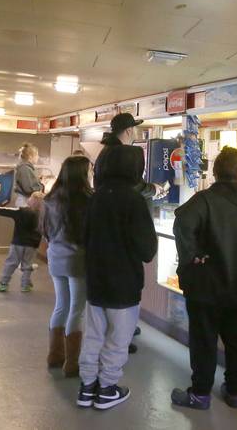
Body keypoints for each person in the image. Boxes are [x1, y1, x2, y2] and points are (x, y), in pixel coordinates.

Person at [171, 147, 237, 411]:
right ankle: (235, 392)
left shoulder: (205, 200)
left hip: (207, 285)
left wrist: (193, 255)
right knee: (236, 341)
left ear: (214, 172)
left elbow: (182, 223)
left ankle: (200, 393)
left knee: (204, 341)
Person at [77, 146, 157, 410]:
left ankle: (87, 387)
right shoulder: (134, 200)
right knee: (117, 339)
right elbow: (147, 250)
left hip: (96, 279)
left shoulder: (95, 197)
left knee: (93, 335)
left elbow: (82, 238)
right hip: (124, 282)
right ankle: (107, 388)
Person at [94, 112, 161, 353]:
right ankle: (121, 336)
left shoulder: (105, 153)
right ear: (129, 131)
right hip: (122, 231)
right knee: (122, 289)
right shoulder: (122, 156)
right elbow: (133, 187)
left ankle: (120, 333)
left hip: (105, 233)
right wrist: (154, 189)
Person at [42, 156, 92, 377]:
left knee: (61, 305)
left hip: (55, 256)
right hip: (77, 259)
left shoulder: (50, 199)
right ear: (83, 174)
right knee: (77, 309)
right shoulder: (87, 200)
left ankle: (54, 355)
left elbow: (44, 230)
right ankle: (72, 362)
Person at [94, 112, 162, 198]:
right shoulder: (123, 153)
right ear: (129, 131)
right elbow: (131, 186)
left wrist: (152, 191)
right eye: (135, 129)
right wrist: (153, 190)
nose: (135, 135)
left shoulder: (105, 151)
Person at [0, 191, 44, 293]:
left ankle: (3, 284)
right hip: (32, 244)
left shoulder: (21, 211)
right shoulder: (42, 215)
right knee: (28, 265)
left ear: (30, 200)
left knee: (11, 263)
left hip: (18, 243)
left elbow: (6, 211)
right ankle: (25, 285)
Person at [14, 143, 44, 207]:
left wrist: (38, 180)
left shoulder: (28, 168)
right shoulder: (25, 168)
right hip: (24, 202)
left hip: (27, 200)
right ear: (30, 156)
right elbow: (28, 189)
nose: (38, 157)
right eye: (37, 155)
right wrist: (41, 186)